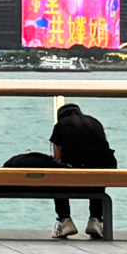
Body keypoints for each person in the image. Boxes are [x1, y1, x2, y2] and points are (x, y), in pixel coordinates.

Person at [46, 102, 116, 239]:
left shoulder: (61, 125)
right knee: (95, 170)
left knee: (58, 174)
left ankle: (64, 220)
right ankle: (95, 219)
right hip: (98, 174)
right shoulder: (95, 123)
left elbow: (58, 157)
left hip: (71, 175)